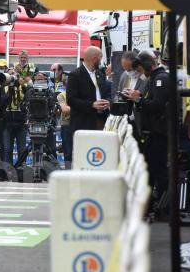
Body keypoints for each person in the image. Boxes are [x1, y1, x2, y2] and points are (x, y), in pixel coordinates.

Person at [123, 50, 170, 212]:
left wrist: (139, 99)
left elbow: (157, 105)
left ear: (147, 66)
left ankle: (164, 207)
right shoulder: (154, 79)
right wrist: (140, 97)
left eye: (141, 70)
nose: (140, 74)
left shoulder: (161, 79)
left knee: (159, 169)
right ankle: (151, 205)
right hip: (152, 132)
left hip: (159, 131)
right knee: (150, 169)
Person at [66, 46, 112, 160]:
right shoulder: (75, 75)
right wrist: (91, 105)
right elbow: (71, 100)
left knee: (100, 155)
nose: (101, 61)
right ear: (94, 58)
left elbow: (107, 93)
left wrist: (108, 101)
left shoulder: (100, 75)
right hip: (83, 123)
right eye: (100, 58)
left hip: (101, 121)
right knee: (83, 156)